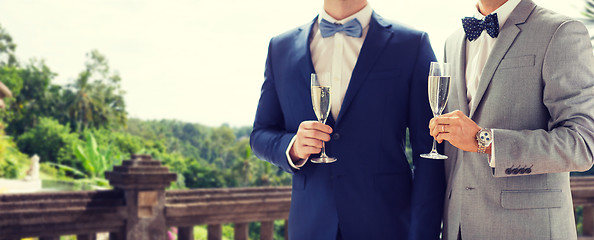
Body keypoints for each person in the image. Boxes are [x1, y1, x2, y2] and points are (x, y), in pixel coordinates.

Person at [250, 0, 446, 239]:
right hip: (310, 227)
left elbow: (430, 153)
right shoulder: (279, 48)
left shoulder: (412, 44)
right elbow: (260, 134)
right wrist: (293, 147)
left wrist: (423, 235)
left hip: (387, 226)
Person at [429, 0, 594, 239]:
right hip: (458, 229)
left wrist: (483, 141)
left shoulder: (560, 31)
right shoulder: (453, 42)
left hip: (527, 230)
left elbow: (582, 144)